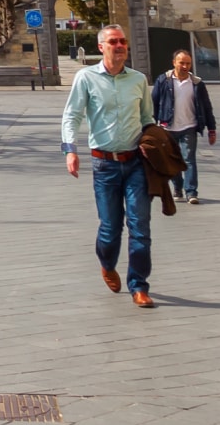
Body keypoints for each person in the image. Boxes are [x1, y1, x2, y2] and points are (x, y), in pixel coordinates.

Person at [60, 24, 158, 308]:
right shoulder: (86, 78)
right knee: (110, 228)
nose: (120, 45)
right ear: (101, 46)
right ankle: (107, 263)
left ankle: (138, 285)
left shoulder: (138, 79)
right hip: (104, 165)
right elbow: (72, 116)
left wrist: (157, 142)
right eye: (113, 41)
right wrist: (70, 151)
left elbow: (147, 117)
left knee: (140, 227)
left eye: (123, 41)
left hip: (136, 163)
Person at [150, 49, 218, 205]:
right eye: (182, 63)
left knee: (189, 160)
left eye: (188, 63)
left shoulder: (197, 84)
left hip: (189, 127)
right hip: (168, 128)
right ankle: (178, 188)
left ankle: (191, 192)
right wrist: (152, 125)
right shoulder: (163, 80)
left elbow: (207, 107)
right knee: (171, 161)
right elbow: (153, 103)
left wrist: (211, 129)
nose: (185, 66)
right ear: (174, 63)